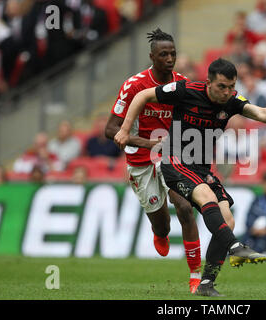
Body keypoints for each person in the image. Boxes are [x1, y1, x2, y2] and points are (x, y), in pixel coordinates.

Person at [113, 58, 266, 296]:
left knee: (227, 219)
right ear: (209, 82)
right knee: (205, 196)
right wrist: (125, 130)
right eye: (222, 86)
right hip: (174, 160)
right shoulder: (186, 90)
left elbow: (260, 112)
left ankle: (207, 283)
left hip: (201, 168)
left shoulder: (232, 101)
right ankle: (235, 246)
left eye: (232, 86)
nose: (227, 92)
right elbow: (142, 96)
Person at [104, 28, 202, 294]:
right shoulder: (134, 85)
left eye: (173, 53)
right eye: (163, 54)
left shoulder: (183, 85)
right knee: (162, 223)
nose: (170, 59)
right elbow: (111, 130)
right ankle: (160, 232)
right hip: (141, 160)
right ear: (152, 56)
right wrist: (149, 144)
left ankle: (196, 276)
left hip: (172, 157)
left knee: (183, 206)